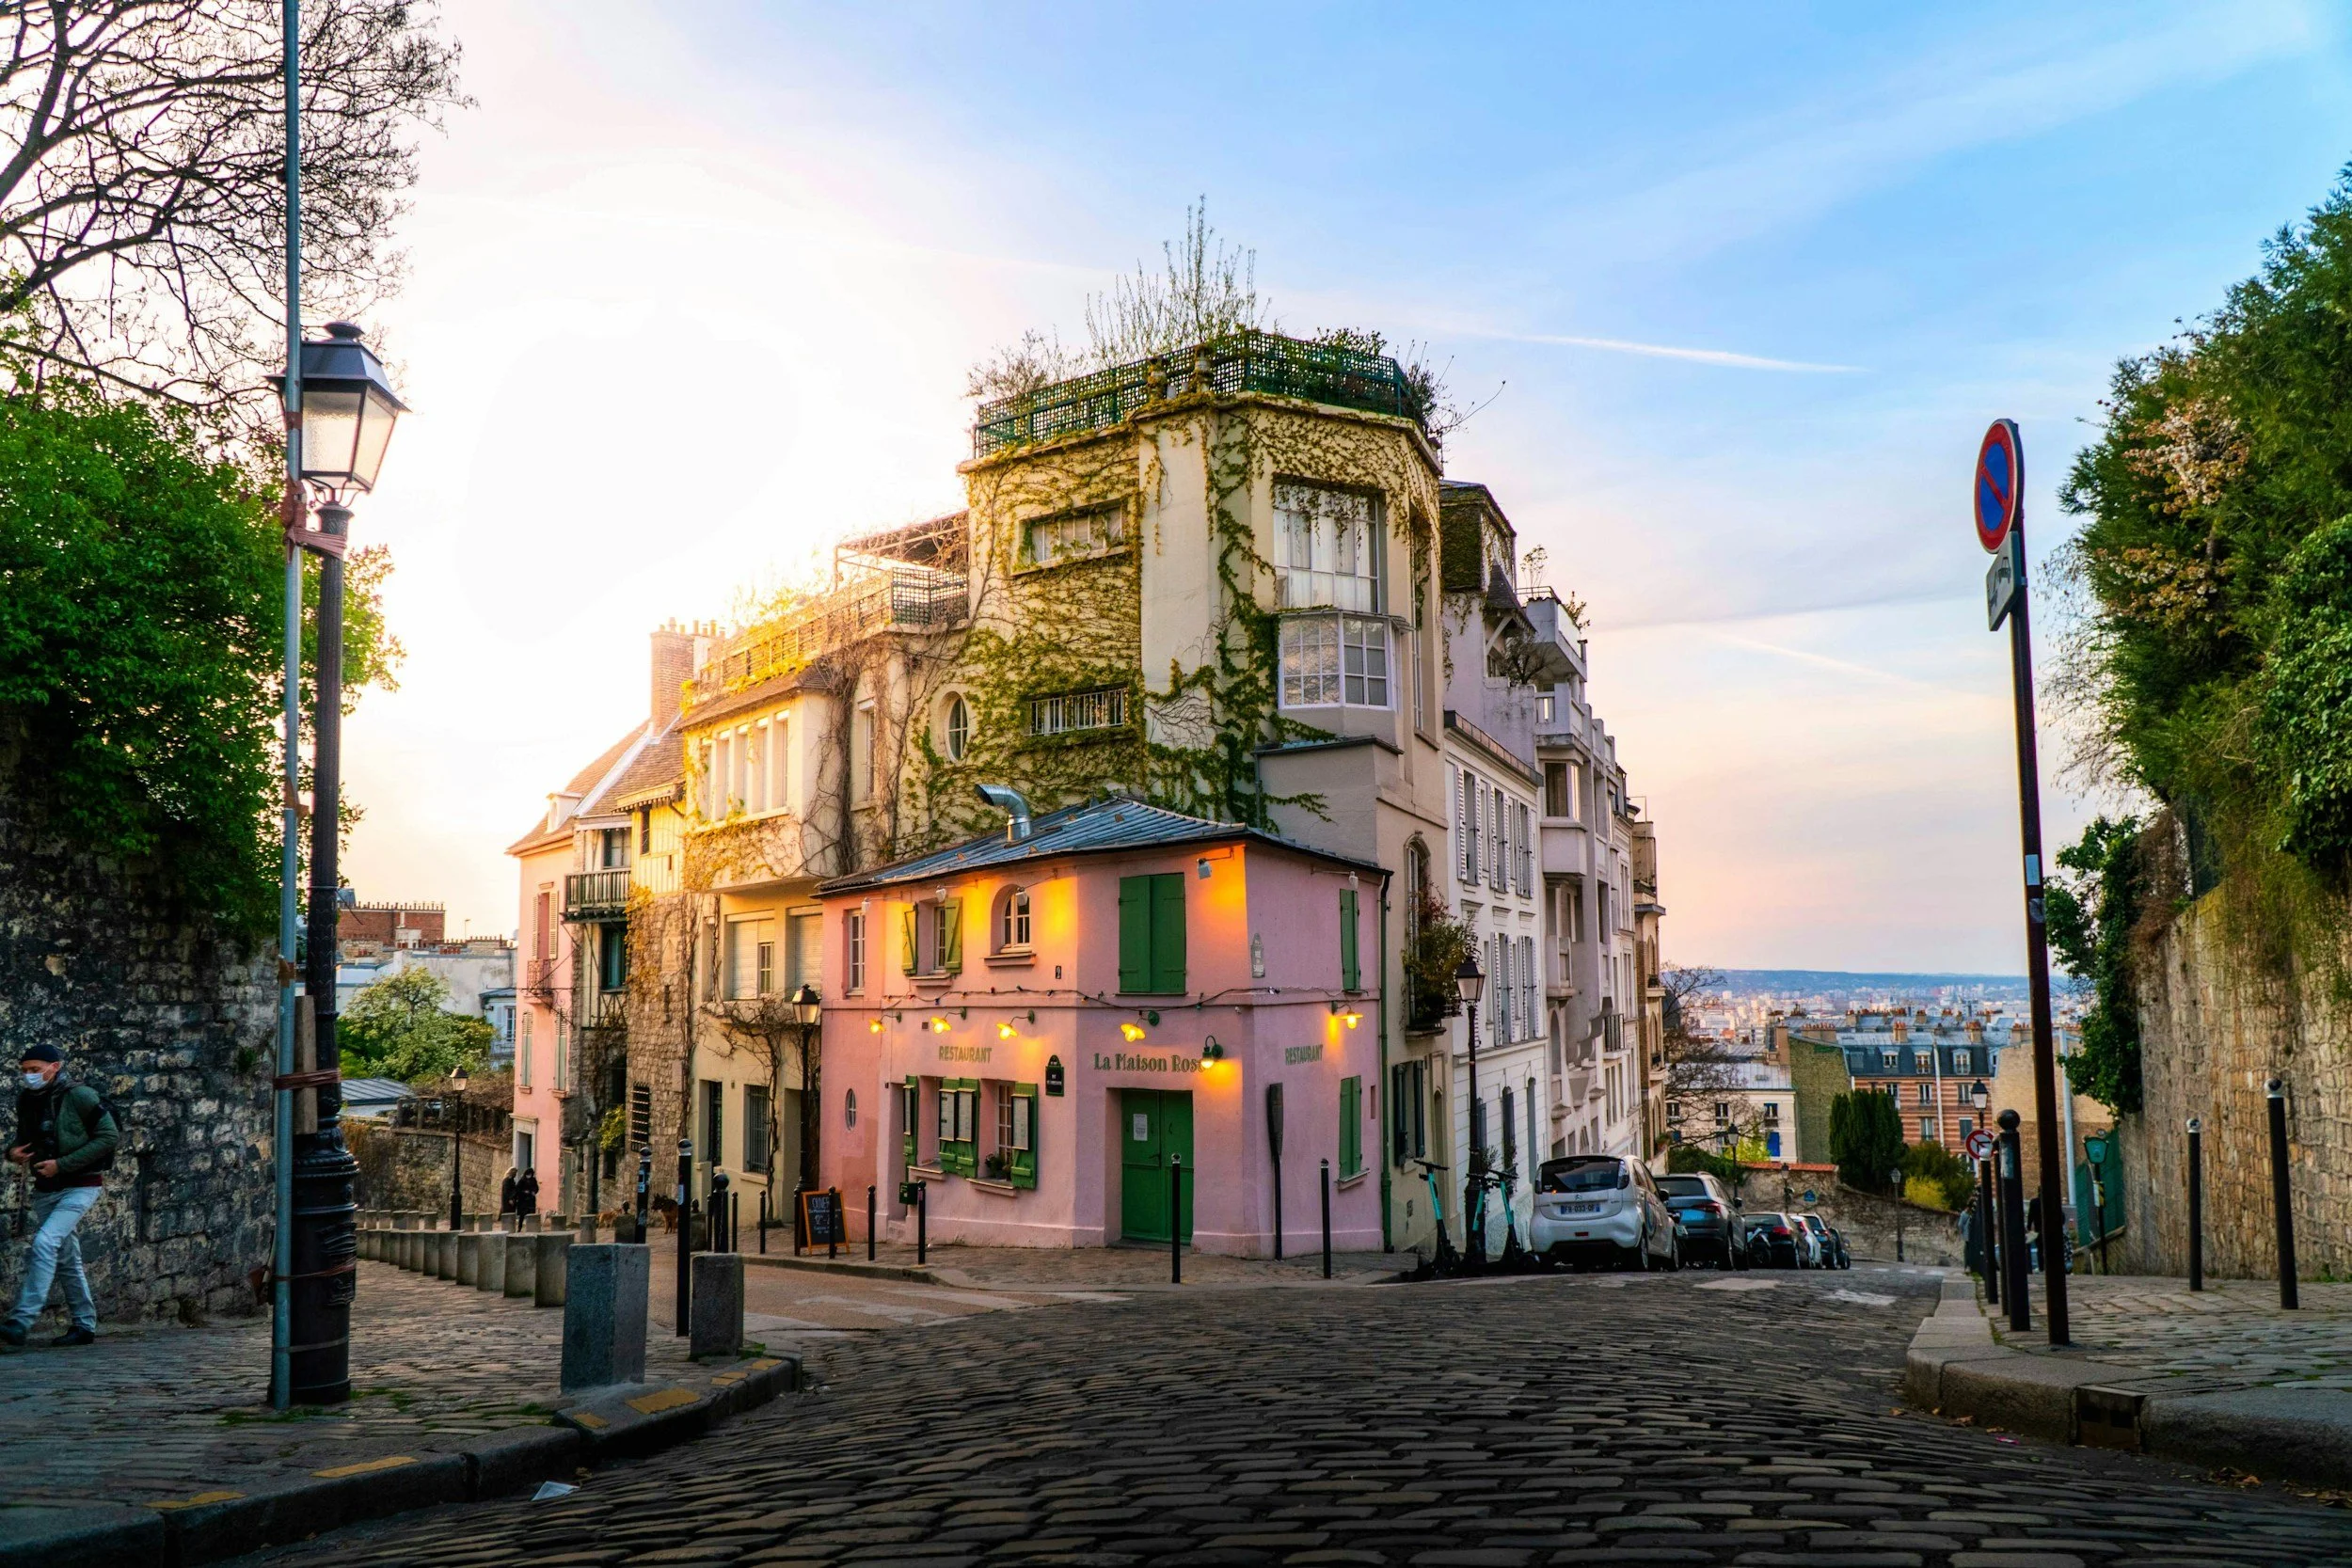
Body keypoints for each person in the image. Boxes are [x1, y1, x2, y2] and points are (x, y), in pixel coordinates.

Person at [5, 1044, 118, 1348]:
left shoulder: (80, 1095)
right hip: (46, 1190)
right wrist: (13, 1152)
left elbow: (109, 1137)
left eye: (35, 1069)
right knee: (67, 1258)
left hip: (81, 1186)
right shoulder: (27, 1099)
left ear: (55, 1067)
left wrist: (62, 1165)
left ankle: (21, 1320)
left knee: (45, 1241)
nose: (29, 1076)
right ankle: (84, 1325)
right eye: (24, 1071)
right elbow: (23, 1139)